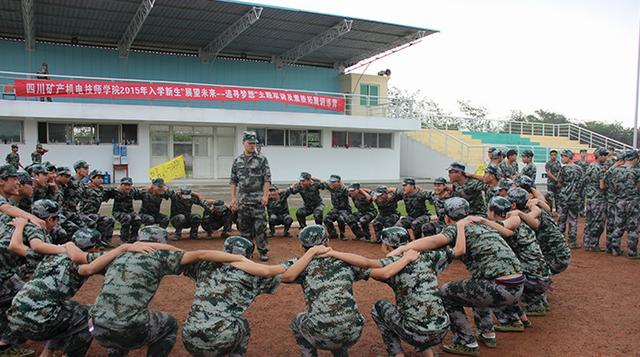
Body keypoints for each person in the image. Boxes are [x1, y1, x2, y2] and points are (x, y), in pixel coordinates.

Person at [387, 197, 524, 356]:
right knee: (475, 286)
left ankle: (466, 342)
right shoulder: (481, 223)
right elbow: (511, 224)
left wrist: (403, 248)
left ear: (446, 217)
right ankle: (487, 333)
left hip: (499, 288)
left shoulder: (455, 228)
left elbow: (433, 241)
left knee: (446, 292)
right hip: (517, 285)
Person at [90, 226, 246, 357]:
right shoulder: (158, 255)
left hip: (95, 327)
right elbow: (198, 255)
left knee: (116, 315)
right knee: (169, 325)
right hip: (129, 330)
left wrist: (124, 247)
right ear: (161, 242)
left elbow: (82, 262)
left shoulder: (115, 255)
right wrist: (239, 259)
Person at [6, 227, 153, 357]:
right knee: (89, 318)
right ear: (94, 248)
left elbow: (16, 246)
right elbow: (95, 264)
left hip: (14, 316)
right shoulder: (85, 259)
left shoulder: (51, 253)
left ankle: (47, 354)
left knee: (67, 310)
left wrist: (19, 226)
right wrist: (125, 248)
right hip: (39, 322)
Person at [324, 226, 457, 357]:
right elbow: (458, 251)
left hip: (417, 333)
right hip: (443, 328)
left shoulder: (389, 264)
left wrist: (332, 253)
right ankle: (428, 353)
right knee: (419, 309)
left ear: (386, 246)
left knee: (379, 308)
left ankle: (395, 353)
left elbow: (367, 264)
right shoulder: (427, 257)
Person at [181, 236, 290, 356]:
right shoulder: (253, 276)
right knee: (242, 323)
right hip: (220, 340)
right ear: (249, 256)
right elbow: (289, 276)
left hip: (188, 337)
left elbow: (180, 256)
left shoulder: (204, 265)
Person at [281, 225, 371, 357]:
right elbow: (373, 269)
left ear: (302, 247)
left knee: (298, 321)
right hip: (354, 332)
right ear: (328, 242)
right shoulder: (345, 260)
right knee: (338, 318)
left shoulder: (300, 265)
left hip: (324, 335)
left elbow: (286, 276)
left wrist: (310, 254)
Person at [483, 193, 551, 327]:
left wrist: (480, 221)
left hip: (532, 281)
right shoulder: (523, 222)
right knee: (509, 273)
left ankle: (510, 320)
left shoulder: (502, 226)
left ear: (492, 211)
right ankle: (522, 316)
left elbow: (505, 230)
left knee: (492, 279)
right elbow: (537, 211)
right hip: (543, 277)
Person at [230, 131, 271, 261]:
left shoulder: (262, 159)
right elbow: (233, 181)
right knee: (244, 228)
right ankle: (246, 251)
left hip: (258, 199)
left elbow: (267, 179)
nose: (252, 146)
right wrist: (233, 198)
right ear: (243, 143)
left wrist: (265, 195)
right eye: (250, 143)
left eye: (254, 143)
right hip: (243, 200)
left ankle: (263, 251)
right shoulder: (237, 161)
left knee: (260, 227)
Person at [609, 149, 640, 258]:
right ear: (635, 159)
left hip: (619, 201)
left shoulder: (616, 170)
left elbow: (611, 185)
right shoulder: (637, 171)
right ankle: (632, 252)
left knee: (619, 225)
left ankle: (615, 249)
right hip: (633, 201)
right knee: (633, 227)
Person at [556, 149, 584, 249]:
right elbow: (582, 184)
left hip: (564, 197)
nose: (562, 159)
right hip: (575, 197)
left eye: (563, 156)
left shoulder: (563, 169)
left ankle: (560, 241)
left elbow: (559, 183)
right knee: (573, 219)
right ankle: (572, 241)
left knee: (561, 219)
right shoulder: (579, 169)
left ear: (568, 157)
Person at [79, 170, 115, 246]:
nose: (100, 180)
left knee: (109, 221)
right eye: (98, 178)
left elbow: (111, 194)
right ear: (92, 179)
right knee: (93, 222)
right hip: (84, 214)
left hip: (94, 214)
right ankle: (93, 242)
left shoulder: (101, 190)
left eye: (101, 178)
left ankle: (105, 241)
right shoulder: (85, 188)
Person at [583, 148, 608, 251]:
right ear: (600, 156)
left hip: (589, 198)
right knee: (598, 222)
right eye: (604, 155)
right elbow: (602, 186)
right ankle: (594, 245)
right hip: (598, 198)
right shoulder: (600, 169)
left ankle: (587, 243)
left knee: (589, 221)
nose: (606, 157)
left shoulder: (590, 166)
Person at [110, 177, 143, 243]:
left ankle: (133, 238)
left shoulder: (133, 191)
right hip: (118, 212)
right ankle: (124, 239)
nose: (127, 187)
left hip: (130, 212)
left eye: (129, 185)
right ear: (121, 185)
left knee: (138, 219)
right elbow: (107, 193)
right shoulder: (116, 192)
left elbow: (142, 193)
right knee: (127, 218)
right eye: (125, 185)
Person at [319, 175, 352, 240]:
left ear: (339, 182)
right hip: (335, 209)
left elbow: (353, 193)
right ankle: (333, 234)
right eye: (331, 182)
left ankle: (343, 234)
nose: (332, 183)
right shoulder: (331, 188)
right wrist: (315, 179)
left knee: (340, 219)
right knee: (327, 219)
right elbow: (321, 181)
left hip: (345, 209)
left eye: (334, 182)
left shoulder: (344, 189)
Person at [604, 151, 625, 253]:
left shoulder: (611, 170)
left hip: (610, 200)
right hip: (619, 201)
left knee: (610, 224)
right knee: (618, 224)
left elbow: (604, 179)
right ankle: (615, 248)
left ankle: (609, 246)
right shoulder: (622, 171)